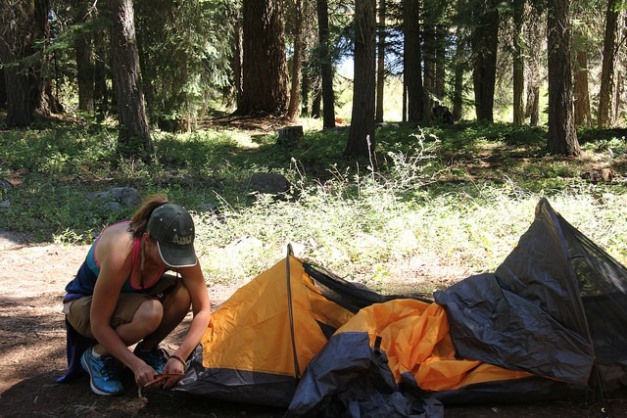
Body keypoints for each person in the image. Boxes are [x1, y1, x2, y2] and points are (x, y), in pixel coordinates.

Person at [58, 195, 212, 396]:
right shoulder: (121, 253)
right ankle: (97, 355)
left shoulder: (179, 249)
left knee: (182, 292)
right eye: (167, 254)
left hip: (131, 299)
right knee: (151, 311)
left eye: (179, 254)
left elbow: (203, 310)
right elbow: (99, 324)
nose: (174, 261)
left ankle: (147, 351)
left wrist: (179, 357)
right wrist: (134, 365)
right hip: (83, 306)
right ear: (147, 240)